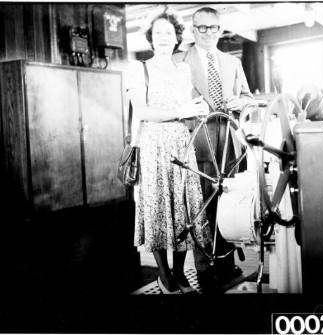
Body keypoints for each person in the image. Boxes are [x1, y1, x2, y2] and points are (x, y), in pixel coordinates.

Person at [125, 10, 211, 294]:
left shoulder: (183, 69)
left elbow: (185, 110)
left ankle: (179, 272)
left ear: (177, 38)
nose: (163, 37)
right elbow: (144, 112)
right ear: (151, 38)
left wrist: (197, 111)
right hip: (153, 145)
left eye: (169, 33)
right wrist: (181, 110)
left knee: (184, 208)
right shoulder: (139, 69)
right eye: (158, 33)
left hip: (181, 141)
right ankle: (164, 275)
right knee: (159, 209)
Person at [173, 6, 254, 292]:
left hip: (228, 139)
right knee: (202, 204)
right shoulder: (179, 61)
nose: (208, 33)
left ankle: (227, 265)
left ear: (220, 30)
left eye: (213, 27)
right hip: (197, 138)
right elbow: (171, 103)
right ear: (193, 30)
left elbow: (248, 98)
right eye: (202, 27)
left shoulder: (231, 62)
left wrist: (241, 103)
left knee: (227, 202)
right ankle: (205, 270)